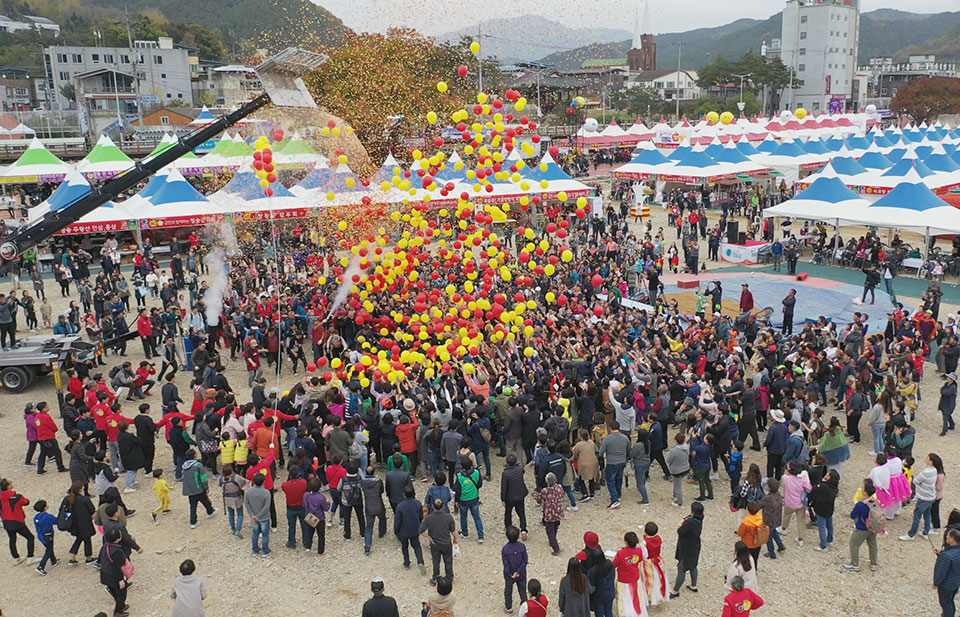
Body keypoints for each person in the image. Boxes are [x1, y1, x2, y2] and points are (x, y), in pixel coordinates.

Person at [901, 453, 943, 541]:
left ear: (931, 461)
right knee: (927, 515)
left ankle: (911, 534)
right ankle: (926, 532)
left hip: (923, 497)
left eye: (928, 458)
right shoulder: (934, 470)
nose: (926, 458)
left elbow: (916, 481)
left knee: (917, 516)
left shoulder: (926, 472)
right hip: (931, 497)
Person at [420, 497, 458, 586]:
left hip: (435, 544)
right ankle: (449, 578)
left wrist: (429, 537)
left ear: (433, 506)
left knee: (436, 561)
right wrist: (455, 539)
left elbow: (421, 530)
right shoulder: (448, 517)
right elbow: (453, 530)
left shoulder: (429, 518)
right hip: (446, 543)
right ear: (443, 506)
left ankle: (435, 578)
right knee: (448, 560)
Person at [845, 478, 880, 572]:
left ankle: (854, 564)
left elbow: (852, 515)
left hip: (862, 528)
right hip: (873, 526)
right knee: (873, 544)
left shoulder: (860, 504)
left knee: (854, 544)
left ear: (865, 492)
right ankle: (874, 564)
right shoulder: (875, 502)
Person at [670, 501, 704, 599]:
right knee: (693, 566)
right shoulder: (700, 518)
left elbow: (680, 531)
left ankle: (675, 591)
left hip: (686, 548)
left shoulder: (690, 522)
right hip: (695, 546)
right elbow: (690, 517)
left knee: (682, 569)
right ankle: (694, 585)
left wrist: (681, 524)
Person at [613, 531, 648, 617]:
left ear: (625, 542)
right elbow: (640, 560)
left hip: (623, 579)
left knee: (624, 599)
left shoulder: (620, 553)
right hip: (635, 578)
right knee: (636, 597)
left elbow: (614, 564)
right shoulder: (639, 551)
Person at [181, 449, 218, 529]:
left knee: (193, 506)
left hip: (189, 490)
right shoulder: (198, 465)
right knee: (205, 501)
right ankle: (210, 511)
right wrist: (206, 487)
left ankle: (193, 522)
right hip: (198, 488)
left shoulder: (184, 466)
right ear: (195, 455)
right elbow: (203, 478)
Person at [0, 478, 35, 564]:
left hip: (6, 521)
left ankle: (16, 558)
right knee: (30, 537)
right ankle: (30, 557)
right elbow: (26, 502)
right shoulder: (17, 497)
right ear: (8, 487)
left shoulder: (1, 498)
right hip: (17, 521)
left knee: (12, 539)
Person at [99, 527, 130, 617]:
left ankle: (121, 606)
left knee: (115, 591)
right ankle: (118, 611)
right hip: (113, 576)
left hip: (105, 573)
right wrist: (120, 579)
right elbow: (117, 567)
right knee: (122, 593)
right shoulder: (117, 551)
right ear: (118, 539)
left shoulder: (106, 545)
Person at [63, 481, 97, 565]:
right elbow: (92, 510)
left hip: (74, 523)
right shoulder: (85, 499)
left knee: (79, 538)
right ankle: (88, 557)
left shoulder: (68, 499)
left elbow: (65, 510)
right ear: (81, 489)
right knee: (87, 539)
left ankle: (72, 556)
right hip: (85, 522)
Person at [599, 420, 630, 509]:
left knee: (610, 481)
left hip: (612, 462)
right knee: (619, 479)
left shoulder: (607, 439)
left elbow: (601, 452)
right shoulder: (625, 438)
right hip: (622, 461)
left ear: (610, 429)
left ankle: (614, 499)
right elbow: (628, 449)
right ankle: (618, 494)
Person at [394, 486, 425, 573]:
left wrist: (396, 530)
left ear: (403, 494)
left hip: (403, 531)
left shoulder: (400, 506)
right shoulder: (418, 504)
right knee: (417, 546)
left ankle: (407, 562)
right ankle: (420, 562)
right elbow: (420, 517)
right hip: (415, 529)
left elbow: (398, 520)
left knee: (404, 547)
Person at [533, 472, 564, 555]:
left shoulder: (545, 490)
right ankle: (552, 540)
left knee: (549, 531)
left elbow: (539, 498)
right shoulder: (559, 487)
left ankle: (556, 548)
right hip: (558, 510)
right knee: (556, 526)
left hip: (550, 513)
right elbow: (562, 495)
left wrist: (533, 495)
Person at [454, 459, 484, 543]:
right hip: (474, 498)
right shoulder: (477, 472)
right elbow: (480, 484)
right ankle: (480, 536)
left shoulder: (459, 476)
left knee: (463, 517)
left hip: (463, 500)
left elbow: (458, 490)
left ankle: (465, 533)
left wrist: (456, 500)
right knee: (477, 517)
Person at [809, 469, 839, 551]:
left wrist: (822, 482)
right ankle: (830, 539)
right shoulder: (834, 487)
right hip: (830, 509)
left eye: (827, 475)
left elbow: (815, 489)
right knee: (830, 525)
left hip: (821, 509)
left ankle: (823, 545)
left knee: (822, 527)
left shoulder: (823, 486)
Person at [500, 454, 529, 540]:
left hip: (510, 497)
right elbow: (523, 471)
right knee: (521, 513)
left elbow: (504, 487)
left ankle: (509, 528)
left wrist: (503, 498)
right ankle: (523, 530)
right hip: (520, 494)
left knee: (508, 512)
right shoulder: (520, 469)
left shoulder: (505, 473)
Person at [502, 525, 528, 614]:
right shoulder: (522, 547)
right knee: (523, 591)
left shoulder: (505, 549)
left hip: (509, 575)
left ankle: (509, 607)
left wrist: (510, 573)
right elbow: (525, 560)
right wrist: (518, 571)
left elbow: (506, 564)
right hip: (521, 574)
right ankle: (524, 606)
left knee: (508, 591)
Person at [245, 473, 272, 557]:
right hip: (264, 517)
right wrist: (259, 515)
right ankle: (265, 551)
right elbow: (266, 507)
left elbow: (246, 503)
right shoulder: (266, 492)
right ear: (264, 482)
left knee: (255, 534)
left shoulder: (249, 491)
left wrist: (252, 514)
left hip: (254, 517)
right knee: (265, 535)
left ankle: (255, 550)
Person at [936, 529, 960, 617]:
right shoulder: (951, 553)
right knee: (950, 601)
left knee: (946, 604)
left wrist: (936, 583)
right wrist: (941, 553)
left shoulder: (947, 556)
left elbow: (941, 572)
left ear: (953, 539)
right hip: (956, 583)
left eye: (948, 536)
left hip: (946, 585)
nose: (947, 537)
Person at [32, 500, 57, 575]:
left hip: (41, 536)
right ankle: (41, 566)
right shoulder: (48, 517)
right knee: (49, 550)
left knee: (49, 548)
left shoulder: (36, 517)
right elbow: (57, 521)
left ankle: (53, 560)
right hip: (48, 535)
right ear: (45, 508)